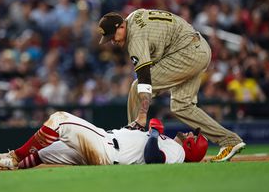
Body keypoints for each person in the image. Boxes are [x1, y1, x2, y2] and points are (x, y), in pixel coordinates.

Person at [96, 9, 245, 162]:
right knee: (182, 106)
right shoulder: (135, 15)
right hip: (199, 49)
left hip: (186, 52)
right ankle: (229, 140)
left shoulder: (135, 37)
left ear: (121, 26)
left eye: (112, 36)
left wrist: (141, 116)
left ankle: (133, 143)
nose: (112, 41)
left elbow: (145, 78)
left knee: (136, 87)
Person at [0, 111, 208, 170]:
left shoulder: (178, 153)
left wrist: (154, 132)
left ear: (191, 147)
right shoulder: (173, 145)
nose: (189, 133)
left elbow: (153, 158)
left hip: (106, 149)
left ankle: (14, 158)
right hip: (108, 148)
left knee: (60, 120)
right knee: (44, 151)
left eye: (192, 137)